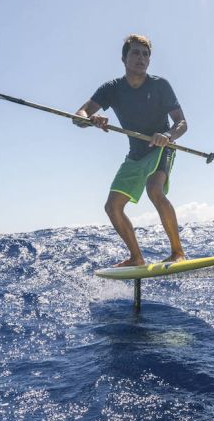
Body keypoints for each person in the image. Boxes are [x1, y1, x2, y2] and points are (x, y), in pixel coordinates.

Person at [74, 34, 187, 267]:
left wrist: (167, 136)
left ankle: (178, 252)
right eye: (135, 53)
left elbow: (181, 123)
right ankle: (136, 258)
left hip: (161, 147)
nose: (141, 58)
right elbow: (79, 116)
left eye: (146, 54)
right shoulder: (111, 89)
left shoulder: (160, 85)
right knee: (112, 206)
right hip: (135, 154)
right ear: (124, 58)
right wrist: (91, 118)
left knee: (154, 189)